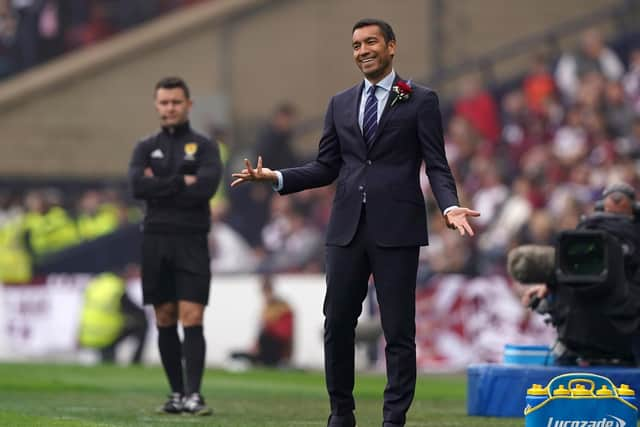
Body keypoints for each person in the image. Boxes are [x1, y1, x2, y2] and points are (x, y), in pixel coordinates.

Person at [231, 19, 479, 427]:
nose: (362, 50)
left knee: (399, 331)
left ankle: (393, 420)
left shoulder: (420, 99)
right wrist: (278, 177)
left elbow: (436, 163)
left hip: (398, 229)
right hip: (345, 228)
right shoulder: (340, 103)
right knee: (338, 325)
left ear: (391, 47)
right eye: (356, 44)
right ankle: (340, 416)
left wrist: (450, 206)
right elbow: (326, 167)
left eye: (370, 42)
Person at [128, 76, 222, 416]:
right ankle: (176, 393)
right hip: (154, 239)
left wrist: (160, 184)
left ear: (188, 105)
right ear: (156, 106)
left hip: (192, 239)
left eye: (176, 102)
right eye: (164, 103)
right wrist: (182, 181)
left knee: (192, 315)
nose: (170, 108)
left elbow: (206, 188)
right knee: (164, 317)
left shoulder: (206, 146)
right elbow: (137, 186)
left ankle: (194, 395)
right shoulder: (144, 147)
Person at [78, 270, 148, 364]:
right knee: (142, 325)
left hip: (87, 335)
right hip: (106, 335)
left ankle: (108, 355)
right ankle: (136, 361)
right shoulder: (116, 287)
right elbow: (135, 311)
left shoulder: (96, 284)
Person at [230, 275, 294, 367]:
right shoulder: (267, 308)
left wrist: (269, 327)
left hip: (277, 349)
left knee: (265, 338)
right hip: (266, 348)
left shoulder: (283, 308)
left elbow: (284, 334)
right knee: (235, 355)